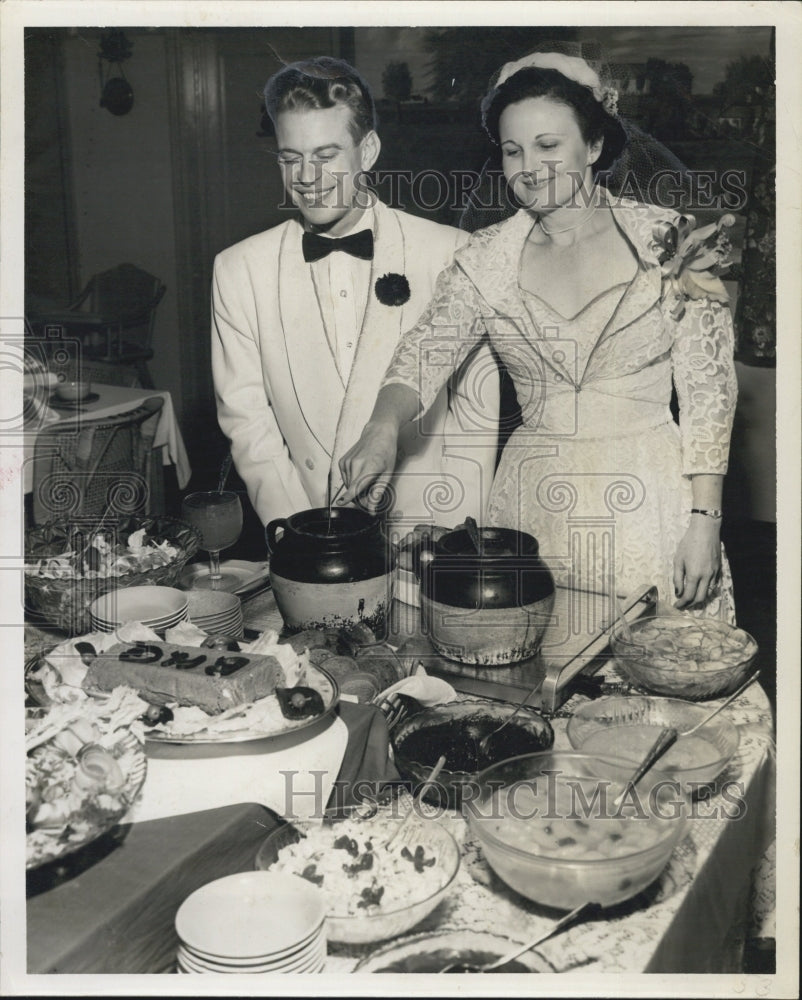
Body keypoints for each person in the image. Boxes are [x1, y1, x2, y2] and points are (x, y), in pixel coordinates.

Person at [339, 51, 738, 619]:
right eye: (512, 150)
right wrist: (382, 425)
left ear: (594, 147)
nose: (529, 166)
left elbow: (708, 395)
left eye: (549, 146)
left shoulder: (670, 242)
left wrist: (705, 521)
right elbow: (424, 354)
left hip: (655, 502)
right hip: (532, 510)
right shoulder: (485, 259)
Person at [211, 57, 499, 534]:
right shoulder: (239, 269)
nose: (307, 176)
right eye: (290, 158)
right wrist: (296, 534)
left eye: (326, 156)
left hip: (429, 529)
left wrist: (449, 527)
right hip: (310, 531)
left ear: (367, 152)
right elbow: (247, 423)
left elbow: (477, 409)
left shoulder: (451, 251)